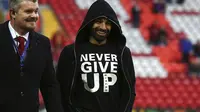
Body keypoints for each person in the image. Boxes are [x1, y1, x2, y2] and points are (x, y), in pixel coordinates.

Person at [56, 0, 136, 112]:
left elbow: (129, 91)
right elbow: (61, 91)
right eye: (98, 22)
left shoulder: (123, 53)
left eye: (108, 23)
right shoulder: (71, 52)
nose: (103, 27)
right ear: (90, 23)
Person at [0, 0, 63, 112]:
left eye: (36, 11)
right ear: (13, 13)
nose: (34, 16)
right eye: (28, 11)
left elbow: (49, 85)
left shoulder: (43, 43)